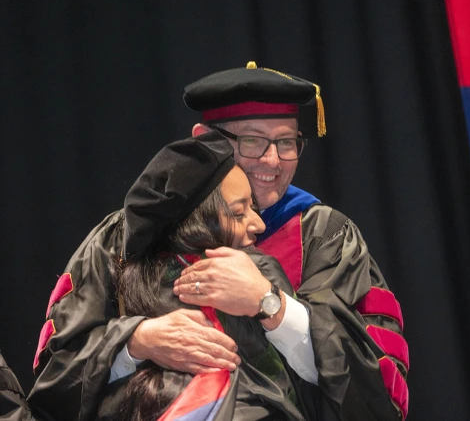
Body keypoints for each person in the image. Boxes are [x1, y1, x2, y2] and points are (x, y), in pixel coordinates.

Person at [28, 61, 409, 420]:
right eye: (252, 141)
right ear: (204, 142)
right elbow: (53, 381)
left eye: (287, 142)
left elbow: (380, 393)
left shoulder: (325, 238)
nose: (273, 161)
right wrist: (135, 342)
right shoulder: (124, 236)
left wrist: (271, 305)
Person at [99, 131, 316, 420]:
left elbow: (327, 377)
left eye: (252, 207)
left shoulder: (261, 273)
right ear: (199, 223)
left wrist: (266, 301)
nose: (259, 224)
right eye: (239, 213)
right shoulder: (124, 274)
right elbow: (66, 380)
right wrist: (137, 341)